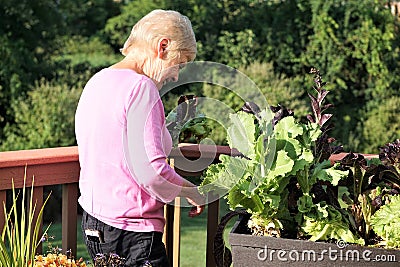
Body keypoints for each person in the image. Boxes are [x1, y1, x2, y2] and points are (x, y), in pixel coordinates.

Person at [75, 9, 205, 267]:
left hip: (95, 224)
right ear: (163, 46)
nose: (176, 76)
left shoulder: (98, 81)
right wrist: (192, 191)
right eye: (180, 63)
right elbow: (152, 172)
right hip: (131, 234)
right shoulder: (141, 88)